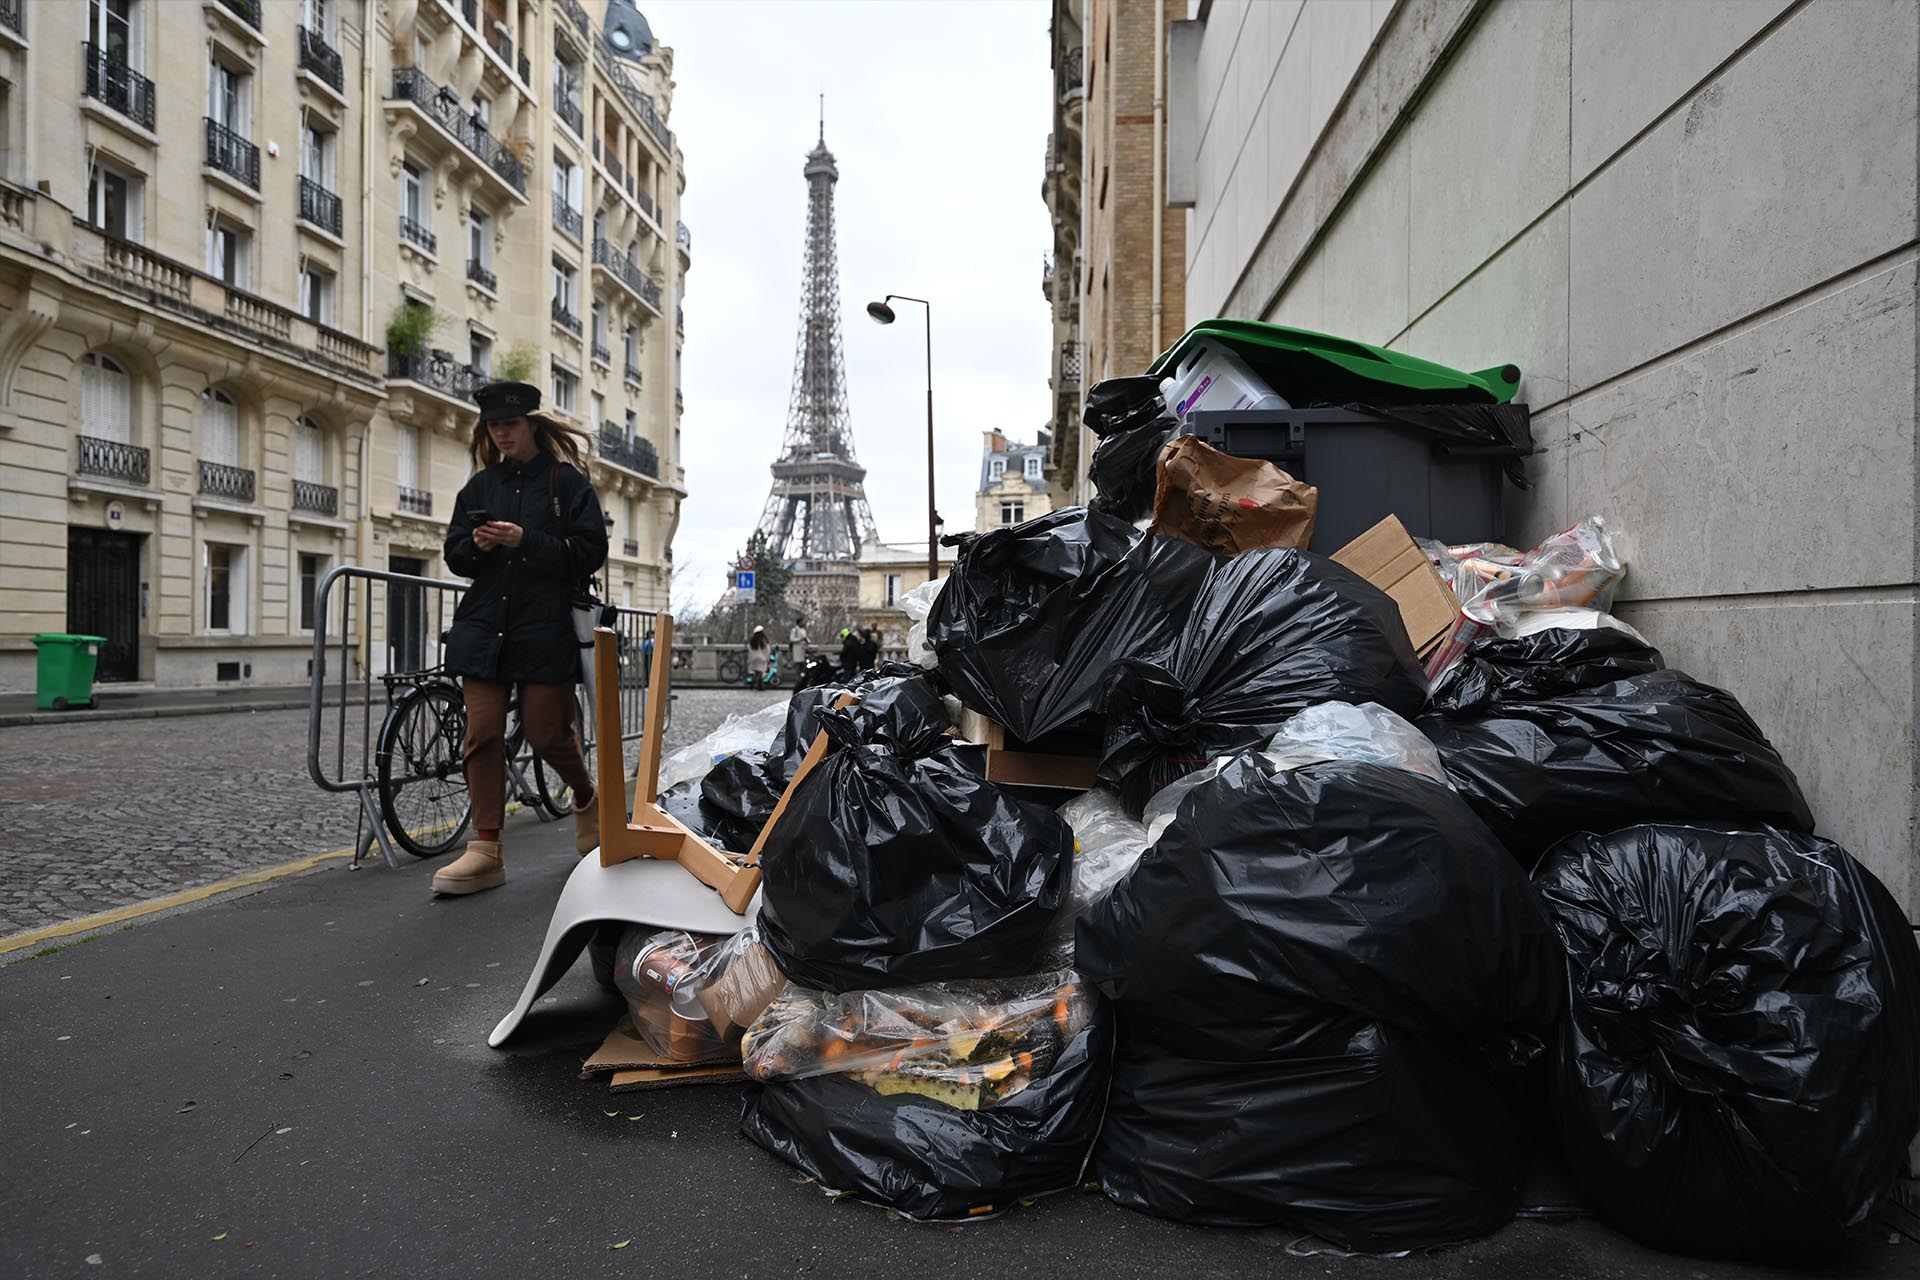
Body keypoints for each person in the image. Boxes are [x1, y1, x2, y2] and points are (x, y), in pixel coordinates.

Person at [434, 381, 608, 897]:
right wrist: (480, 545)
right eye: (493, 426)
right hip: (486, 626)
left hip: (544, 626)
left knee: (548, 732)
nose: (501, 433)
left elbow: (589, 551)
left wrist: (525, 540)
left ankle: (585, 794)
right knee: (482, 733)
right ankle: (485, 849)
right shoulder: (479, 488)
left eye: (509, 424)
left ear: (531, 423)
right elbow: (455, 553)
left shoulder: (567, 485)